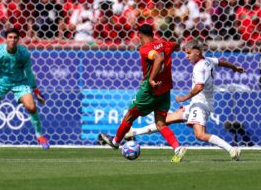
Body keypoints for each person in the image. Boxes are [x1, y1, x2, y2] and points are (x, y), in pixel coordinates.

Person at [124, 39, 244, 160]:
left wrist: (184, 97)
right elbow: (222, 62)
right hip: (196, 104)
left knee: (200, 135)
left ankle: (232, 150)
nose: (186, 57)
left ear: (197, 52)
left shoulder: (199, 67)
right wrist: (234, 68)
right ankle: (133, 132)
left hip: (200, 106)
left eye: (189, 53)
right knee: (164, 121)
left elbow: (199, 86)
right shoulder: (209, 60)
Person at [98, 24, 187, 162]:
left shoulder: (145, 48)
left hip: (149, 91)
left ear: (139, 35)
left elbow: (158, 58)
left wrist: (151, 79)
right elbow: (176, 45)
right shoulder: (164, 43)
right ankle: (177, 148)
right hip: (165, 91)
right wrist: (172, 49)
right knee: (160, 124)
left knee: (128, 117)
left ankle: (115, 142)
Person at [0, 28, 49, 150]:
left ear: (18, 40)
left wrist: (36, 91)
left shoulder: (24, 53)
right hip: (0, 82)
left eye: (15, 38)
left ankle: (39, 136)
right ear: (6, 39)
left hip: (20, 82)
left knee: (31, 107)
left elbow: (29, 73)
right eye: (10, 37)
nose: (12, 40)